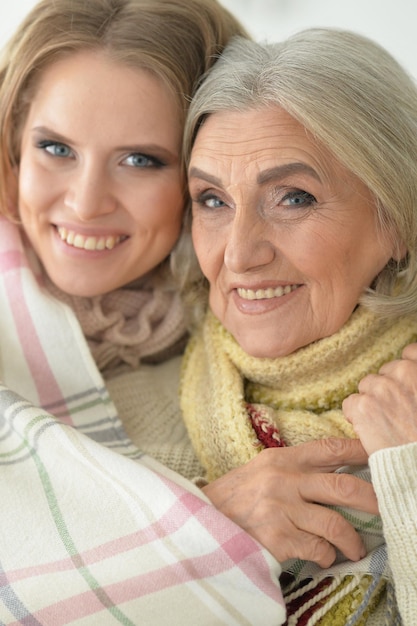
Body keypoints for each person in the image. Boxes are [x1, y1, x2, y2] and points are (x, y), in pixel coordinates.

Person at [0, 1, 288, 623]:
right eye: (55, 147)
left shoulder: (254, 350)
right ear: (14, 142)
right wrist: (205, 519)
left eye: (140, 160)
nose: (85, 202)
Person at [180, 28, 417, 624]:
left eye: (293, 198)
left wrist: (408, 474)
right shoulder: (122, 391)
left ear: (396, 220)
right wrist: (208, 525)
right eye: (212, 200)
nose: (238, 255)